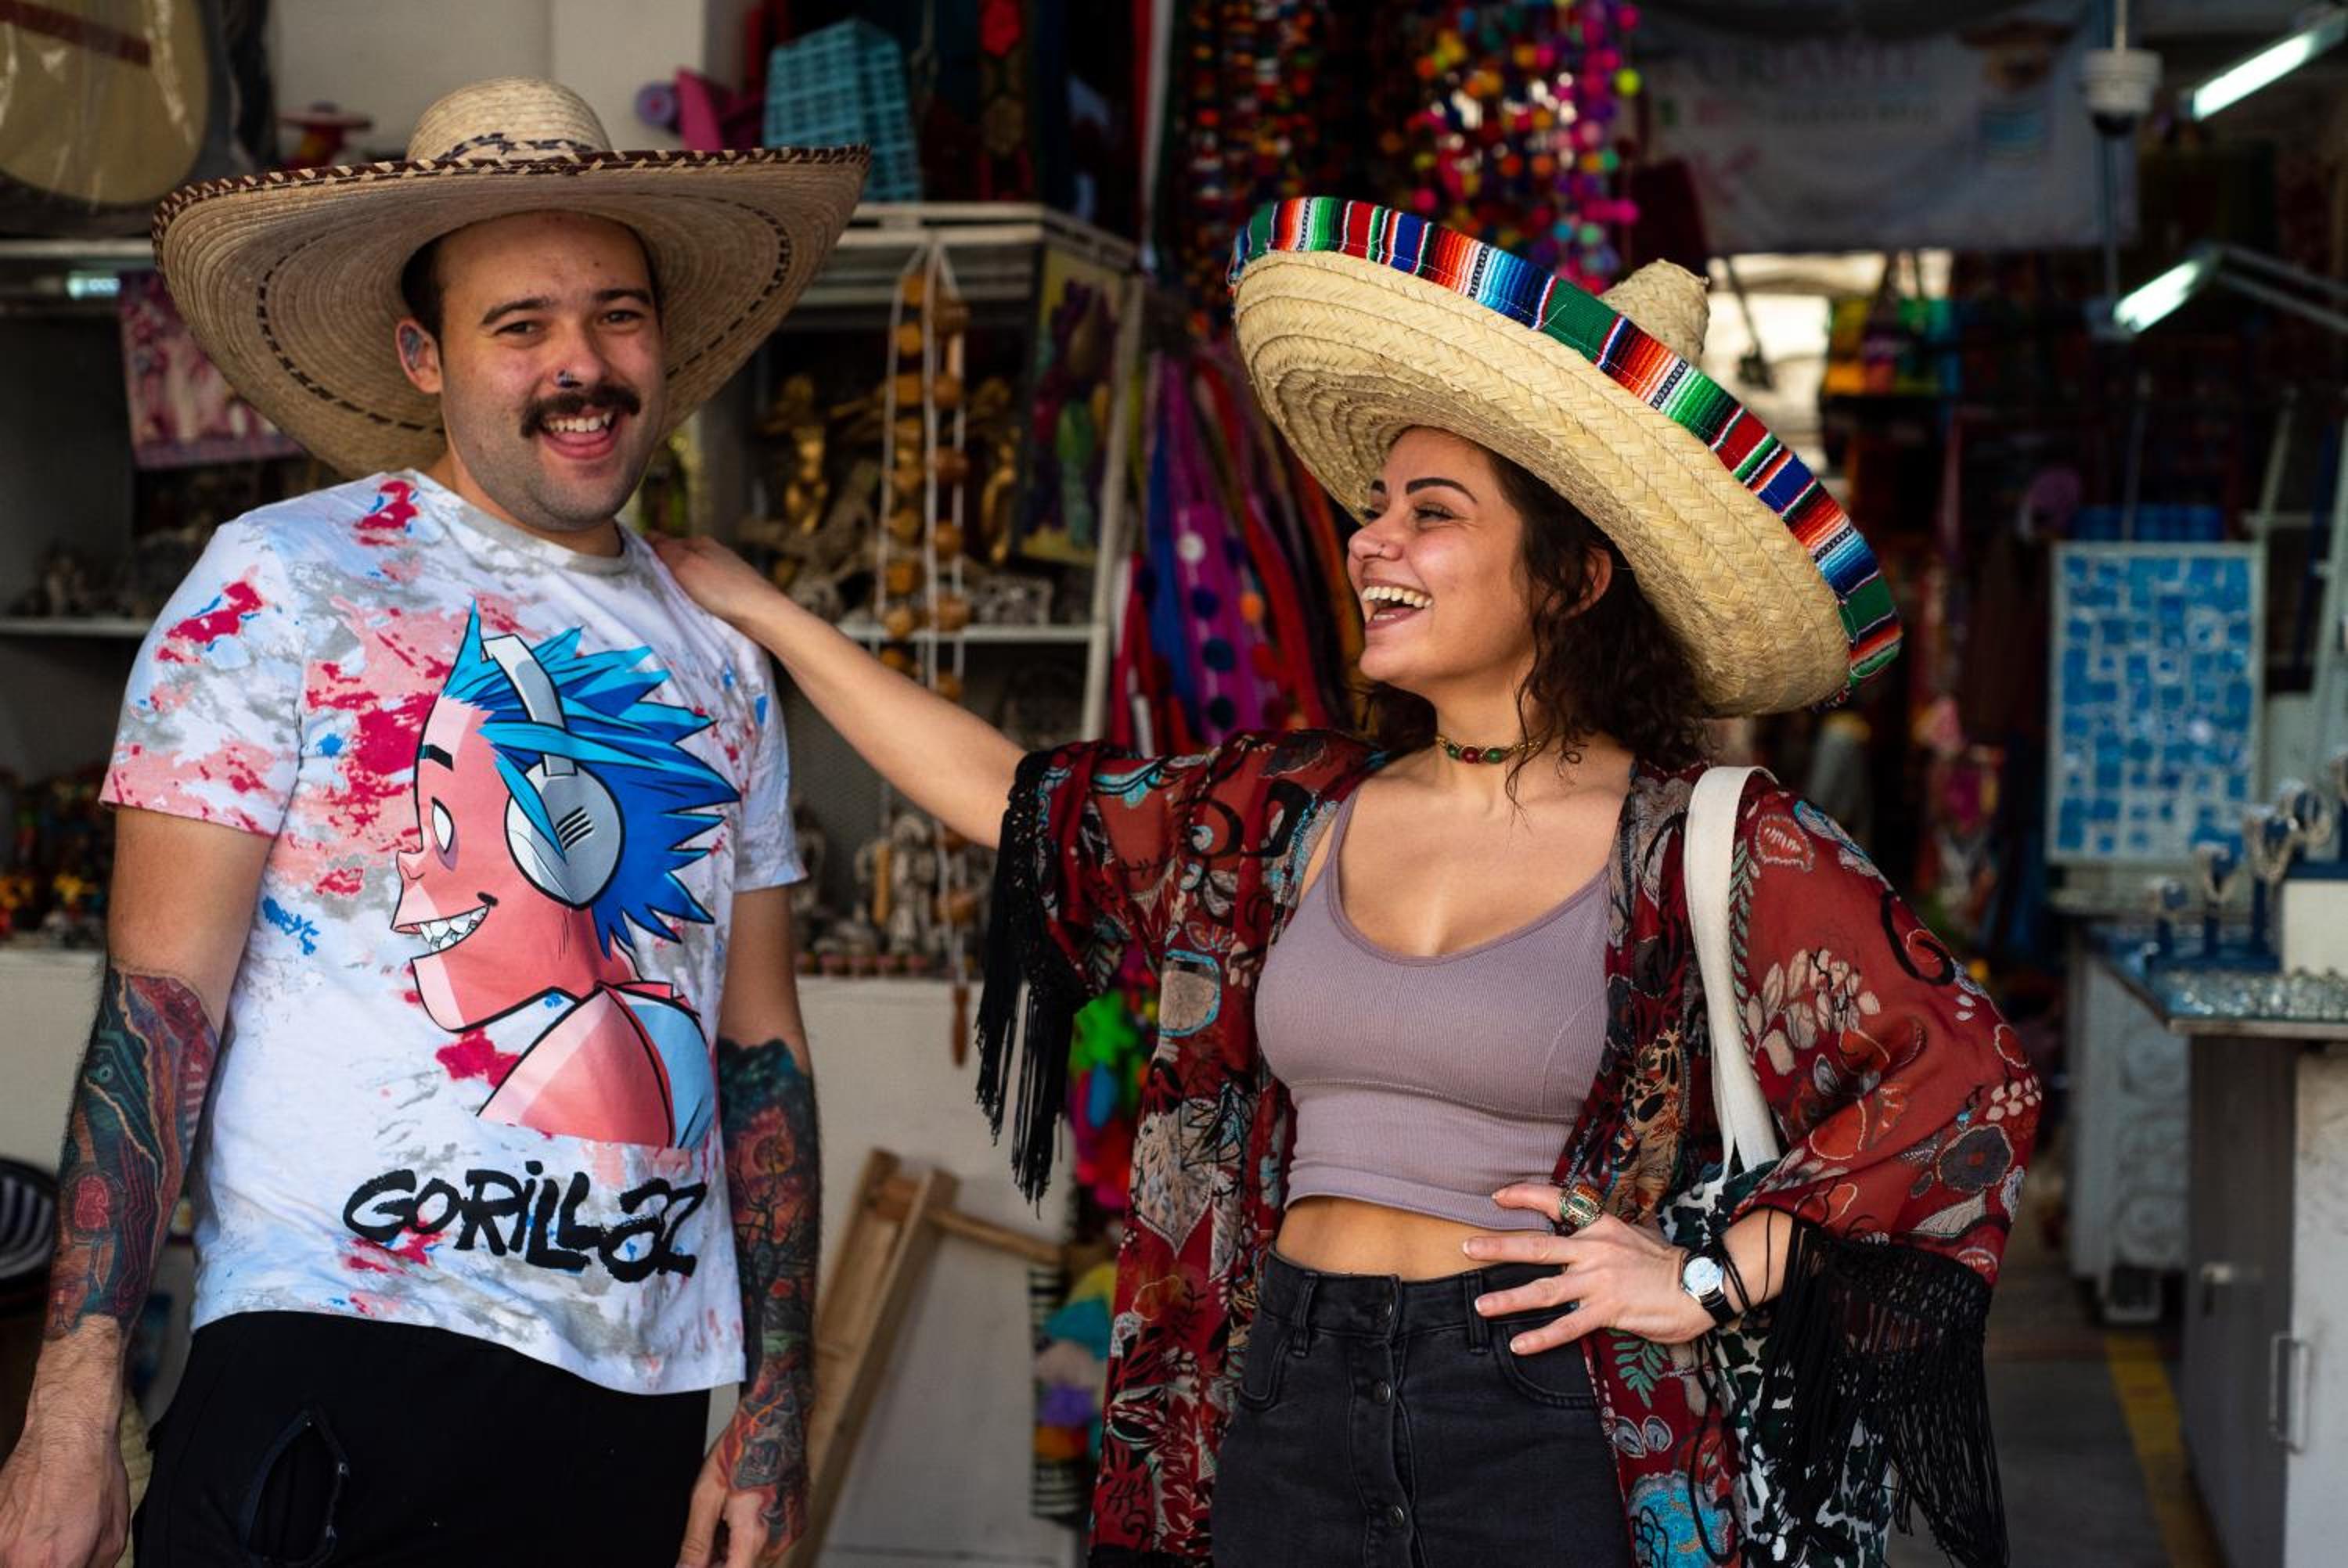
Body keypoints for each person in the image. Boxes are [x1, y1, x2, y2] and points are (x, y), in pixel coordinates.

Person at [654, 196, 2038, 1567]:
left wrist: (1709, 1276)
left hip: (1545, 1414)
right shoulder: (1286, 815)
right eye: (1377, 508)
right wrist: (768, 614)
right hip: (1288, 1390)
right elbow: (1012, 797)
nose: (1372, 541)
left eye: (1431, 515)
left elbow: (1970, 1082)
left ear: (1574, 578)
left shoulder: (1703, 842)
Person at [0, 79, 865, 1568]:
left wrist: (776, 1405)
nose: (580, 364)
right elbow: (159, 1012)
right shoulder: (284, 581)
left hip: (632, 1393)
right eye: (519, 324)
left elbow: (759, 1049)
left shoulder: (720, 652)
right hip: (334, 1354)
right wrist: (71, 1405)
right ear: (425, 355)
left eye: (616, 315)